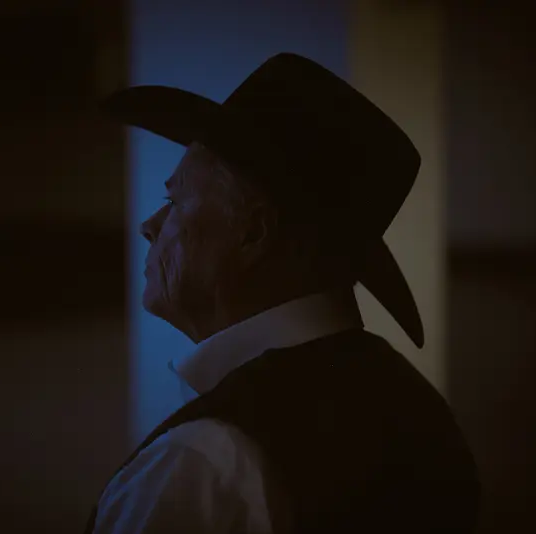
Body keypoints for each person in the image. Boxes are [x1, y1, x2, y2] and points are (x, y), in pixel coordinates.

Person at [85, 53, 480, 533]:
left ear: (253, 233)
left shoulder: (201, 468)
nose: (150, 226)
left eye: (174, 200)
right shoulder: (424, 414)